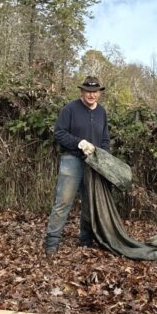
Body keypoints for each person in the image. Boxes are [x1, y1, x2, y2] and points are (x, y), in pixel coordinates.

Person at [43, 75, 110, 255]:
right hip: (72, 160)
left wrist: (103, 159)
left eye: (94, 92)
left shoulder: (102, 112)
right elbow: (59, 133)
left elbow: (105, 140)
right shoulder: (70, 109)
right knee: (63, 201)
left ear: (99, 93)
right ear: (82, 91)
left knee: (89, 203)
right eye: (88, 91)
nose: (91, 95)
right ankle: (52, 242)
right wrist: (79, 143)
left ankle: (86, 240)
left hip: (93, 164)